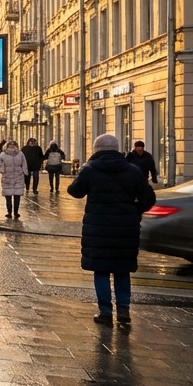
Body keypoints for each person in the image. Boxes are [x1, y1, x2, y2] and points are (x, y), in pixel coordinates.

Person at [67, 134, 156, 325]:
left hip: (98, 227)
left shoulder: (90, 170)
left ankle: (105, 312)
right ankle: (124, 311)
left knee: (101, 270)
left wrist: (85, 169)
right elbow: (149, 199)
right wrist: (134, 211)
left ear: (96, 150)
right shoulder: (133, 170)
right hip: (126, 228)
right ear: (117, 149)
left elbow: (74, 191)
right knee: (122, 270)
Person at [0, 139, 29, 219]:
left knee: (17, 195)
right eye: (10, 145)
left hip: (18, 176)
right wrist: (2, 170)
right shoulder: (3, 154)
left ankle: (16, 212)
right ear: (7, 146)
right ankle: (9, 212)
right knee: (8, 196)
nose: (12, 146)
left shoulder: (20, 154)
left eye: (13, 145)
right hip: (7, 177)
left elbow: (24, 163)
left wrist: (25, 171)